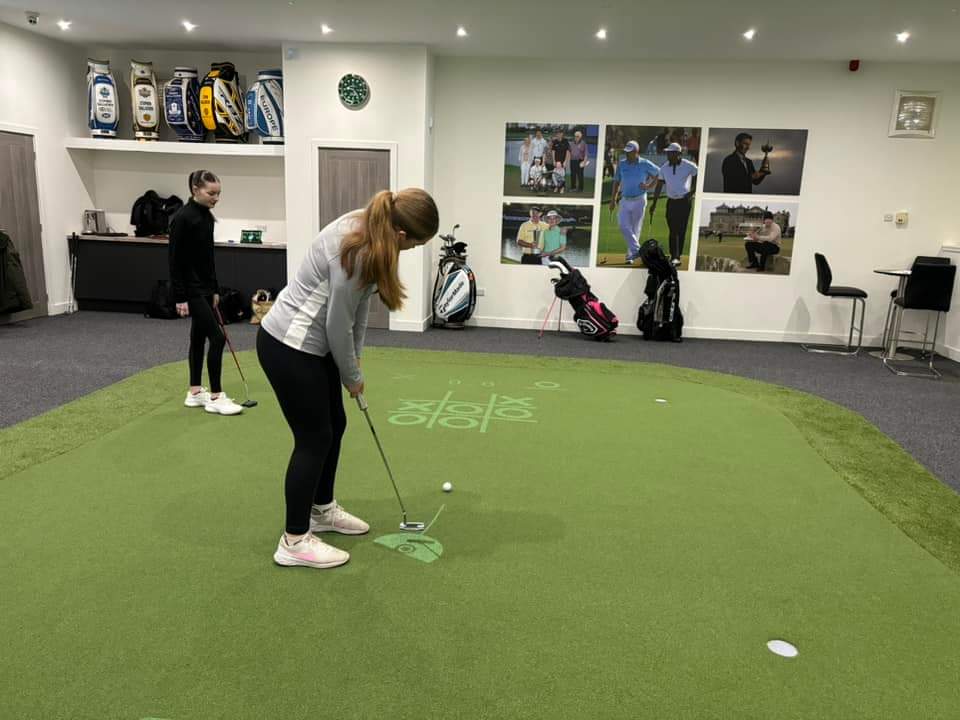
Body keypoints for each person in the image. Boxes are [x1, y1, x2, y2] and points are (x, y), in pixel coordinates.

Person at [258, 188, 439, 569]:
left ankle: (321, 511)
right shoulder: (358, 250)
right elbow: (337, 324)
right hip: (289, 345)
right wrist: (351, 373)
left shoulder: (374, 229)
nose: (409, 252)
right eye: (415, 246)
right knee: (314, 437)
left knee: (335, 424)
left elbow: (357, 314)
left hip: (315, 346)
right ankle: (293, 539)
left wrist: (353, 367)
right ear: (402, 236)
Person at [169, 169, 243, 416]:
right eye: (211, 193)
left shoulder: (207, 217)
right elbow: (175, 260)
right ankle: (216, 396)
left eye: (218, 193)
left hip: (204, 288)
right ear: (195, 190)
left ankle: (194, 392)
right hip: (190, 290)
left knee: (198, 338)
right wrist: (179, 296)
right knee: (218, 338)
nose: (216, 198)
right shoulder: (182, 218)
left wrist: (214, 289)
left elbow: (208, 257)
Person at [609, 140, 660, 264]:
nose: (627, 154)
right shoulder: (622, 164)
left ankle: (630, 255)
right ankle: (640, 251)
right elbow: (616, 181)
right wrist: (613, 199)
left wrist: (648, 186)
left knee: (635, 228)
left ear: (636, 152)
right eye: (626, 152)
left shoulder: (645, 163)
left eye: (629, 152)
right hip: (625, 200)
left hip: (640, 200)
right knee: (623, 225)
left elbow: (659, 174)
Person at [649, 143, 698, 264]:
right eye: (667, 152)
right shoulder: (664, 168)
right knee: (673, 229)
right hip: (671, 202)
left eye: (671, 153)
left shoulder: (690, 166)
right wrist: (654, 204)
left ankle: (677, 256)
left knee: (681, 229)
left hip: (685, 202)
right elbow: (659, 186)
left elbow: (699, 178)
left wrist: (692, 192)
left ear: (678, 154)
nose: (668, 154)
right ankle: (674, 256)